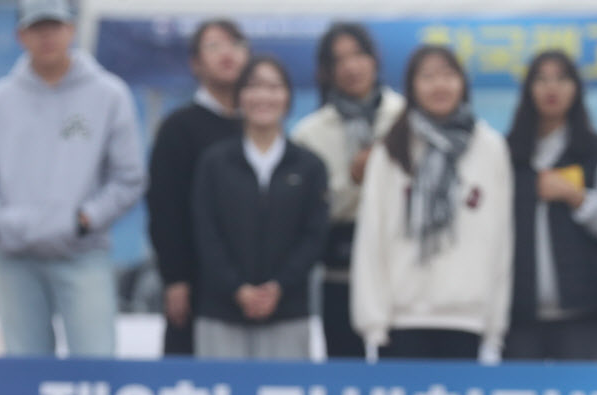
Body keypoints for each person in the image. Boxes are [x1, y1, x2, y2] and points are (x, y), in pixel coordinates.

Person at [0, 0, 145, 357]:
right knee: (24, 368)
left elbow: (129, 178)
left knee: (96, 365)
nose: (47, 36)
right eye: (37, 28)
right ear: (20, 35)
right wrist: (1, 224)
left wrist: (85, 219)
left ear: (71, 29)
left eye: (55, 26)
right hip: (13, 257)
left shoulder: (109, 94)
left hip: (83, 253)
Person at [350, 44, 513, 361]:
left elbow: (502, 240)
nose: (439, 85)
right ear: (412, 87)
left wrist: (495, 322)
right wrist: (373, 320)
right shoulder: (391, 149)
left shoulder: (490, 147)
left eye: (448, 75)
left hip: (467, 318)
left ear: (463, 83)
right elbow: (370, 238)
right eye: (428, 76)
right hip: (401, 318)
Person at [192, 55, 329, 359]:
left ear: (288, 97)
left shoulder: (309, 166)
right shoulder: (215, 162)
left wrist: (279, 286)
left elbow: (313, 235)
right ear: (240, 96)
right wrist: (237, 288)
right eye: (253, 86)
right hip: (221, 311)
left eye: (274, 87)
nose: (263, 96)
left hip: (288, 311)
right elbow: (206, 231)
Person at [503, 50, 597, 361]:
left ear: (577, 89)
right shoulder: (506, 154)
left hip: (583, 312)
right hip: (518, 314)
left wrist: (578, 197)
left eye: (562, 79)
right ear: (528, 90)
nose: (551, 88)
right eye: (541, 79)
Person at [292, 22, 404, 358]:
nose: (351, 67)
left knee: (398, 373)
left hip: (397, 271)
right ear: (326, 72)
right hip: (341, 269)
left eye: (358, 55)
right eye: (339, 61)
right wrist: (354, 181)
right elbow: (309, 211)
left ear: (375, 60)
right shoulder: (310, 132)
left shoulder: (406, 117)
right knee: (344, 371)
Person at [147, 19, 249, 356]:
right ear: (195, 63)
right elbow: (164, 207)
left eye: (234, 44)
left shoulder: (260, 124)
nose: (226, 54)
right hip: (195, 283)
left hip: (251, 283)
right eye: (214, 46)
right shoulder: (178, 127)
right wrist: (175, 278)